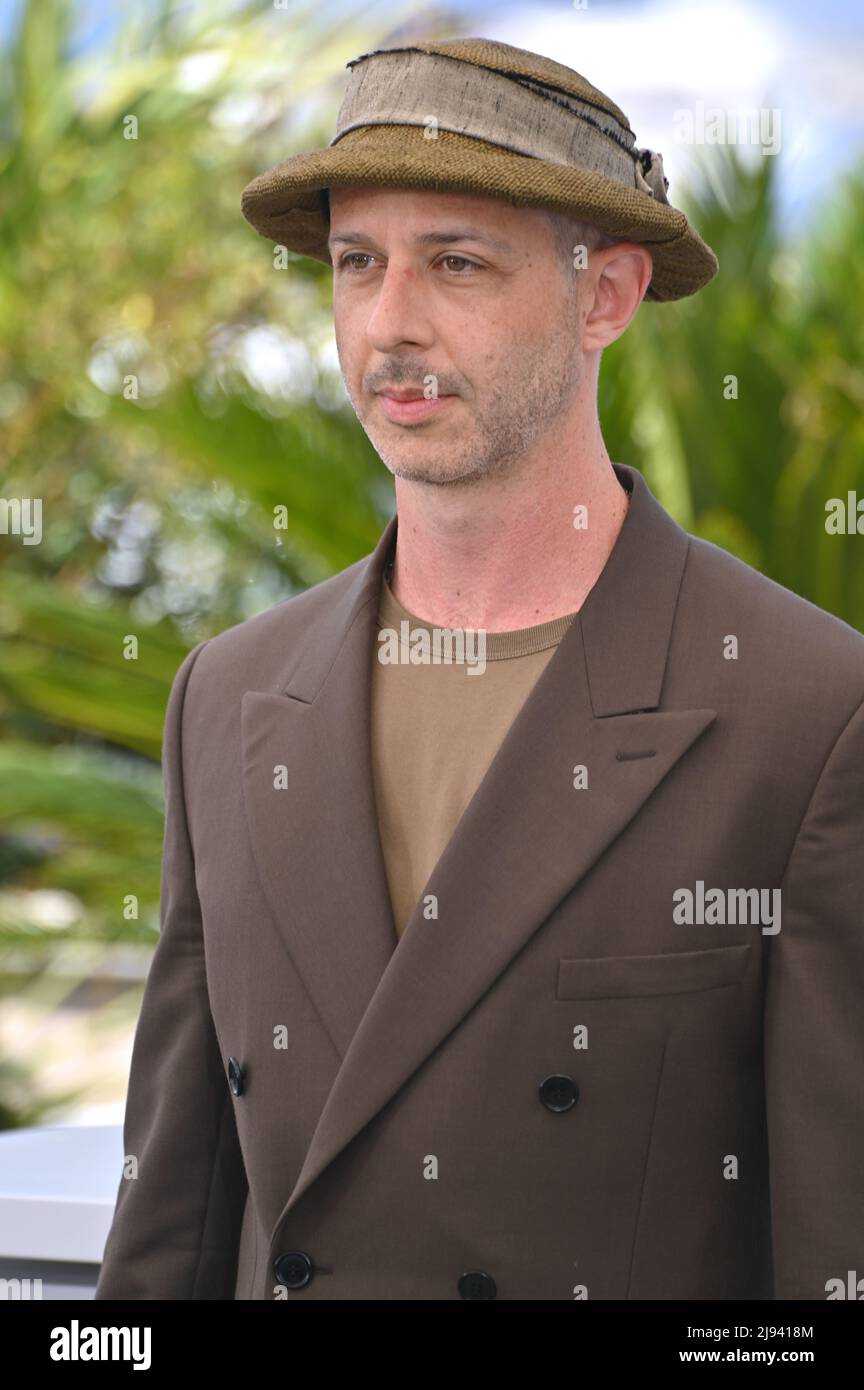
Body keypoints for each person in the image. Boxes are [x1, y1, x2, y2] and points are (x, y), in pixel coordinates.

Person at [95, 36, 864, 1301]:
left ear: (603, 296)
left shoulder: (808, 712)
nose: (390, 323)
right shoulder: (227, 696)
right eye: (357, 264)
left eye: (456, 262)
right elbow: (170, 1221)